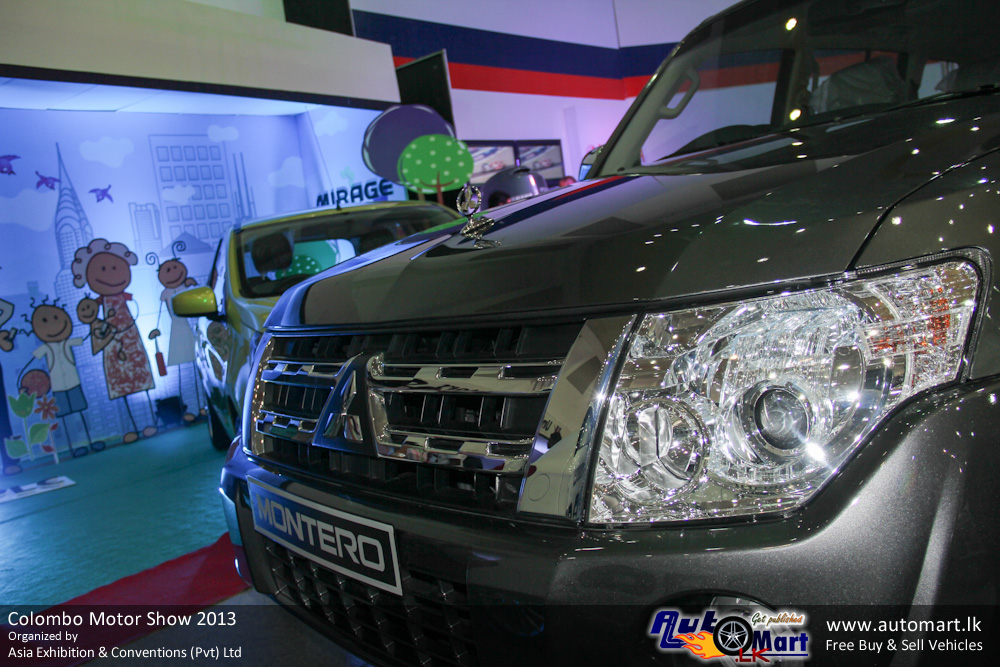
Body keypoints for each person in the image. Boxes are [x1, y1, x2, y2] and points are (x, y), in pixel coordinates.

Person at [72, 239, 157, 444]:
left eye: (114, 267)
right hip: (112, 345)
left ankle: (150, 422)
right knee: (120, 388)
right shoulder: (97, 305)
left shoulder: (126, 299)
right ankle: (129, 428)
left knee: (142, 382)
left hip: (131, 341)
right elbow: (91, 318)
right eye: (102, 269)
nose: (109, 273)